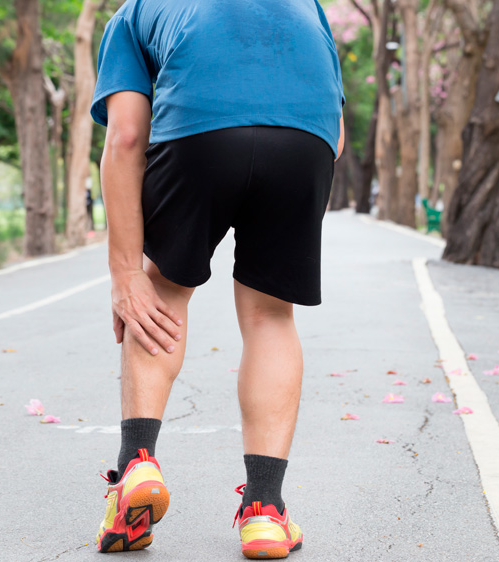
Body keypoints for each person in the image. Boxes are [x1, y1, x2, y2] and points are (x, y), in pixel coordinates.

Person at [90, 0, 345, 558]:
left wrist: (127, 272)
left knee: (160, 292)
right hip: (307, 144)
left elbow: (127, 138)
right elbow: (339, 136)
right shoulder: (310, 6)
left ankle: (136, 465)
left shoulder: (133, 14)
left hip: (202, 135)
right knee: (270, 314)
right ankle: (265, 512)